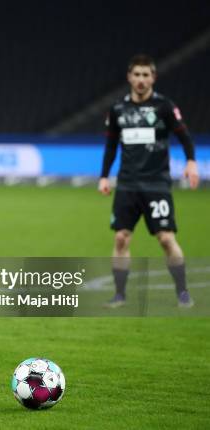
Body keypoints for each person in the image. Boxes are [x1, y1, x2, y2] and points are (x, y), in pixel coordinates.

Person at [99, 53, 199, 309]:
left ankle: (183, 292)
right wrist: (104, 176)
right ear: (129, 77)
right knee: (121, 238)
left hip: (156, 184)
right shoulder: (118, 109)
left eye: (146, 75)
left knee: (166, 239)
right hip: (128, 184)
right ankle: (119, 294)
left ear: (153, 77)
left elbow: (184, 136)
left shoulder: (164, 107)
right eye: (137, 74)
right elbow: (111, 146)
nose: (141, 79)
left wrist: (191, 161)